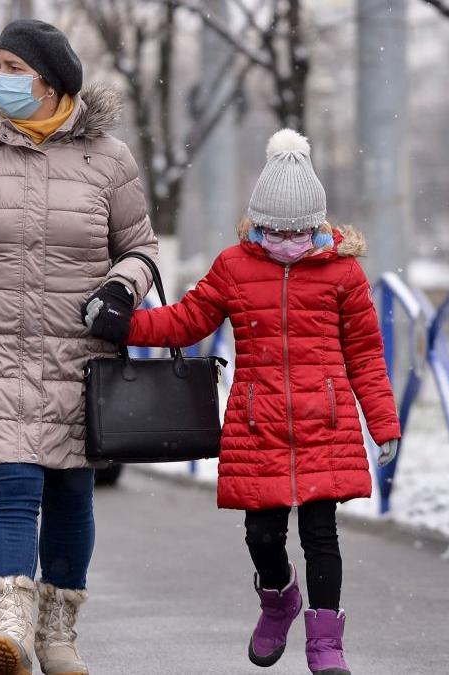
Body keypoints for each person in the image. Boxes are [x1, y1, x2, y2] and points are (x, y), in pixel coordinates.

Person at [87, 129, 401, 675]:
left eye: (297, 229)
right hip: (259, 425)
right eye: (273, 228)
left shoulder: (343, 273)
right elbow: (188, 320)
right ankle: (278, 601)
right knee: (262, 536)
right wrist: (126, 325)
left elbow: (366, 355)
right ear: (257, 220)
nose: (284, 239)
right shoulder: (235, 266)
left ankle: (326, 643)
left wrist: (384, 424)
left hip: (324, 424)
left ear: (318, 224)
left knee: (321, 535)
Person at [0, 19, 158, 675]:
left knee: (72, 495)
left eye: (15, 67)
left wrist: (124, 287)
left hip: (80, 356)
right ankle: (10, 622)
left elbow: (141, 248)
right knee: (11, 487)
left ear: (51, 80)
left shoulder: (110, 157)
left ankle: (58, 632)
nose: (2, 80)